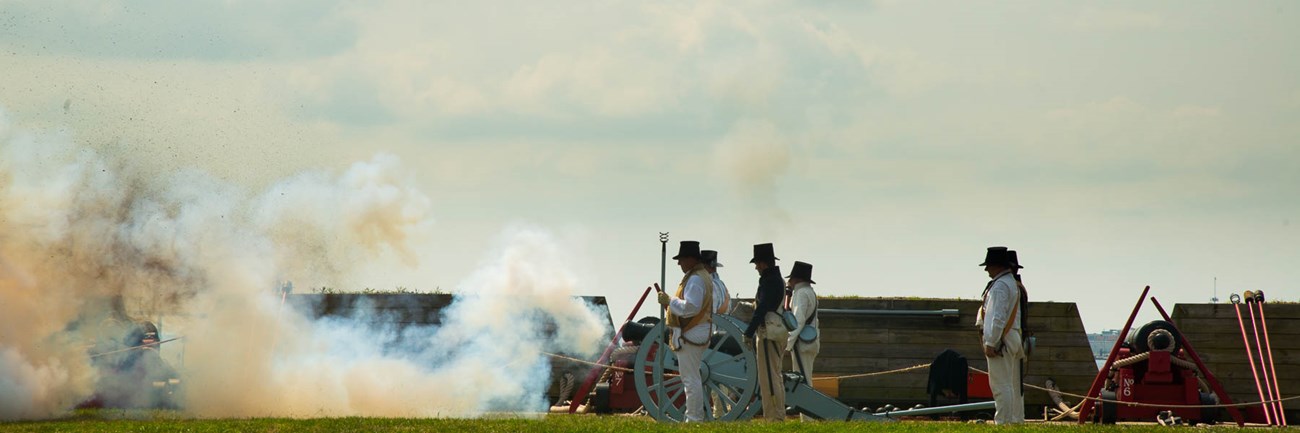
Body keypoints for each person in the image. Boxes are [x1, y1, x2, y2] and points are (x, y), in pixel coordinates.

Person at [657, 240, 714, 422]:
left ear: (690, 259)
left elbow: (690, 308)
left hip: (692, 331)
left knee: (690, 380)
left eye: (681, 259)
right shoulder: (699, 275)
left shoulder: (696, 279)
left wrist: (669, 300)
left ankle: (694, 418)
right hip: (696, 329)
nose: (679, 263)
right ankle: (695, 416)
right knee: (692, 378)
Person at [975, 246, 1026, 424]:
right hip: (1009, 337)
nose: (987, 269)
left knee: (1000, 385)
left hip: (1001, 339)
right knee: (1008, 384)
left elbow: (997, 318)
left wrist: (991, 342)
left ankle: (1003, 422)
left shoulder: (1000, 287)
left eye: (989, 265)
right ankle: (1011, 420)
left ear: (997, 265)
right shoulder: (1008, 283)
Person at [742, 243, 786, 421]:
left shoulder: (770, 281)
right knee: (774, 375)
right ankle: (776, 415)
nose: (756, 267)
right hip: (773, 329)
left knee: (769, 377)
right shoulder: (775, 279)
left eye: (758, 263)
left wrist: (748, 332)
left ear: (764, 263)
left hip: (768, 331)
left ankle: (774, 417)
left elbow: (762, 308)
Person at [784, 261, 820, 421]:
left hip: (802, 345)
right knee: (806, 380)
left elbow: (797, 321)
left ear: (796, 279)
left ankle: (808, 420)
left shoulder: (800, 293)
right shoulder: (809, 292)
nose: (789, 282)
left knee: (804, 383)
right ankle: (806, 418)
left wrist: (787, 343)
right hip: (810, 342)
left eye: (791, 279)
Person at [702, 250, 731, 315]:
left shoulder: (708, 284)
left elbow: (712, 312)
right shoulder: (722, 284)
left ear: (704, 266)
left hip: (712, 323)